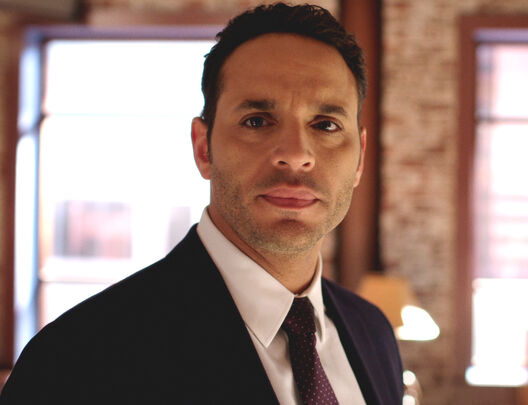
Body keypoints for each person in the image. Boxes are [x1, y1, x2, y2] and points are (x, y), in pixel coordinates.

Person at [0, 3, 403, 404]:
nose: (297, 155)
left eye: (326, 125)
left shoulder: (373, 333)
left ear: (359, 159)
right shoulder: (77, 360)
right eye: (257, 121)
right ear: (203, 148)